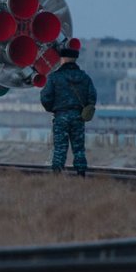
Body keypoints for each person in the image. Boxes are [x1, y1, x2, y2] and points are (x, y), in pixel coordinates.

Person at [40, 42, 97, 177]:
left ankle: (57, 174)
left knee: (60, 147)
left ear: (63, 59)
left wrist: (52, 109)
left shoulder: (55, 77)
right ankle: (81, 173)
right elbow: (92, 97)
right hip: (78, 117)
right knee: (79, 148)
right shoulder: (85, 78)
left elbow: (45, 97)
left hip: (61, 117)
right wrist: (84, 111)